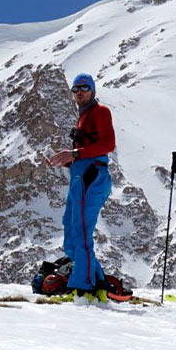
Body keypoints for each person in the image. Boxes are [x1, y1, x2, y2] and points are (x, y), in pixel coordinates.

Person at [46, 72, 116, 299]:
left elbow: (108, 144)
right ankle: (96, 282)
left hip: (91, 177)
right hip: (80, 177)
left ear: (93, 90)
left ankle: (82, 287)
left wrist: (74, 153)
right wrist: (67, 160)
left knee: (82, 231)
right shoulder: (83, 116)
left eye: (84, 88)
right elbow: (86, 150)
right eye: (75, 90)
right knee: (71, 227)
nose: (79, 93)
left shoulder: (101, 112)